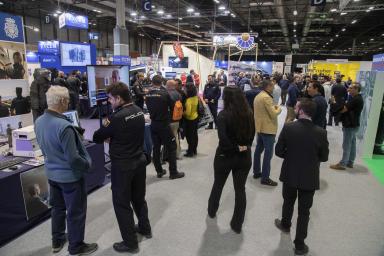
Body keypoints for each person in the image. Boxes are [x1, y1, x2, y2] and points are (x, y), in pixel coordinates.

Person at [34, 86, 97, 255]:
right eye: (67, 100)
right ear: (62, 101)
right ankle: (76, 247)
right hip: (70, 178)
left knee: (57, 208)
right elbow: (74, 158)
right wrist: (87, 165)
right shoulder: (65, 127)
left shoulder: (39, 121)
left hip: (52, 174)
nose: (69, 102)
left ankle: (57, 241)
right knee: (76, 212)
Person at [92, 82, 151, 253]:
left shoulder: (115, 117)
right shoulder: (139, 111)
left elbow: (97, 137)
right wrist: (114, 135)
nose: (109, 102)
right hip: (139, 161)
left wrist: (109, 131)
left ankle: (130, 243)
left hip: (123, 166)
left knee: (121, 203)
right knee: (139, 198)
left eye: (110, 99)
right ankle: (145, 228)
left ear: (119, 98)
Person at [274, 98, 329, 255]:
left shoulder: (289, 127)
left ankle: (285, 224)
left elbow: (278, 151)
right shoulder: (321, 132)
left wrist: (291, 156)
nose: (295, 110)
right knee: (304, 211)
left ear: (302, 111)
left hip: (290, 173)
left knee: (288, 201)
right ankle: (299, 244)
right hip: (309, 176)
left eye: (297, 108)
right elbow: (324, 157)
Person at [207, 86, 255, 234]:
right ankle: (237, 223)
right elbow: (252, 136)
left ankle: (212, 211)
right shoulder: (249, 113)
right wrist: (242, 147)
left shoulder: (222, 115)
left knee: (218, 185)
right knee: (240, 189)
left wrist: (236, 148)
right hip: (244, 157)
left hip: (225, 156)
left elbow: (224, 140)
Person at [145, 75, 185, 179]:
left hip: (153, 124)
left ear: (152, 82)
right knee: (172, 147)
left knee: (156, 147)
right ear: (161, 82)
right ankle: (173, 172)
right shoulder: (165, 93)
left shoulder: (148, 94)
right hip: (163, 124)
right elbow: (173, 107)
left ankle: (159, 171)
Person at [253, 79, 282, 186]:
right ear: (267, 87)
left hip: (260, 128)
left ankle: (256, 172)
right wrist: (279, 108)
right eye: (272, 86)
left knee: (258, 151)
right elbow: (274, 113)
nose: (274, 88)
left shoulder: (259, 96)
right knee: (268, 154)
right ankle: (265, 178)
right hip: (268, 129)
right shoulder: (266, 97)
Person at [330, 83, 364, 170]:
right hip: (354, 124)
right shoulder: (357, 98)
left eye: (351, 88)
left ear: (356, 89)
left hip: (350, 125)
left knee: (346, 145)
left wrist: (334, 103)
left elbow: (343, 110)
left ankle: (343, 164)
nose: (348, 90)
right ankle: (350, 162)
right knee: (352, 144)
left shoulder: (355, 99)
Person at [167, 80, 183, 159]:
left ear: (169, 85)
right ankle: (177, 153)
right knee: (176, 136)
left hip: (169, 119)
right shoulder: (179, 94)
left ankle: (170, 155)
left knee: (169, 138)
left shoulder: (167, 94)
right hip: (177, 119)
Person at [183, 83, 199, 157]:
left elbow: (188, 113)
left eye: (185, 88)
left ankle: (190, 152)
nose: (184, 90)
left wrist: (182, 113)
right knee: (194, 135)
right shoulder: (196, 97)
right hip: (195, 118)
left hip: (189, 120)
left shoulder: (189, 100)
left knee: (189, 136)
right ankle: (194, 150)